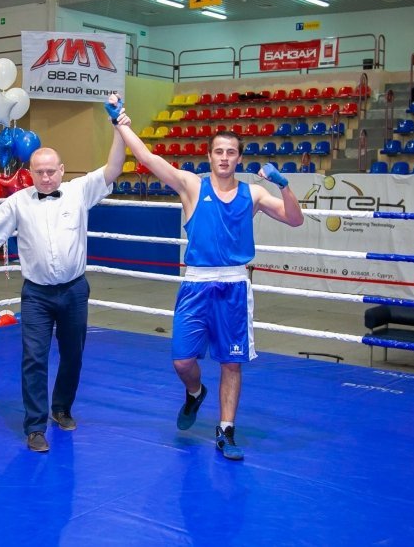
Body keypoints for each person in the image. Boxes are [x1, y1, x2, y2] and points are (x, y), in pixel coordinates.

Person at [113, 123, 304, 461]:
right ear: (209, 155)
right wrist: (120, 122)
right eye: (219, 151)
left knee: (231, 362)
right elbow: (146, 157)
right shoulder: (191, 185)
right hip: (196, 283)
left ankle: (226, 430)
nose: (225, 157)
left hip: (233, 285)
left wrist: (284, 184)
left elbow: (294, 219)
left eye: (231, 152)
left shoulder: (254, 194)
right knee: (182, 360)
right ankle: (195, 392)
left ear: (239, 158)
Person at [0, 117, 125, 453]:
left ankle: (61, 408)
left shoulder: (79, 190)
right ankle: (34, 426)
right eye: (39, 172)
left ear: (61, 170)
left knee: (73, 355)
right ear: (30, 171)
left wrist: (118, 128)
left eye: (51, 171)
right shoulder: (18, 202)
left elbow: (114, 168)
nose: (45, 177)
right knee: (34, 358)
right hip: (37, 295)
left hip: (74, 289)